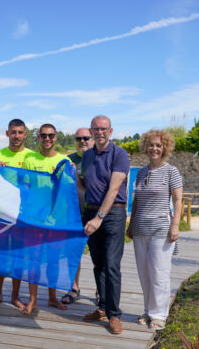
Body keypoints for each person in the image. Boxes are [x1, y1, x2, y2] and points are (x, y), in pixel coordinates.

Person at [126, 129, 183, 330]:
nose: (154, 148)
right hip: (140, 228)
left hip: (161, 228)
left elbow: (177, 200)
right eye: (151, 145)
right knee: (144, 273)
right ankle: (148, 310)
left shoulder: (171, 171)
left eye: (158, 145)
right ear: (145, 147)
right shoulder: (141, 172)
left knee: (159, 272)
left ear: (165, 147)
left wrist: (175, 225)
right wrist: (131, 225)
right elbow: (136, 200)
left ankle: (159, 314)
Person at [80, 115, 130, 335]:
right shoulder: (87, 155)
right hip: (91, 212)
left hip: (112, 215)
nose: (99, 132)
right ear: (91, 131)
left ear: (110, 131)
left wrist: (99, 217)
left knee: (111, 266)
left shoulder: (120, 154)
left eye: (103, 129)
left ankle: (115, 315)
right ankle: (101, 308)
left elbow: (113, 189)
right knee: (98, 264)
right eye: (95, 129)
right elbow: (85, 186)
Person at [21, 123, 68, 315]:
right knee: (34, 260)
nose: (47, 139)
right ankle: (33, 300)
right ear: (38, 138)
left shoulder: (64, 160)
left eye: (51, 135)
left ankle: (52, 297)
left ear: (56, 137)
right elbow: (24, 187)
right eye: (43, 135)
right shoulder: (30, 159)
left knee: (54, 261)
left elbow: (68, 190)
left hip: (55, 221)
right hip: (35, 219)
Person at [0, 118, 34, 309]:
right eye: (13, 132)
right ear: (7, 133)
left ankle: (15, 296)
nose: (16, 136)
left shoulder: (32, 157)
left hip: (22, 215)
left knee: (17, 255)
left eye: (20, 132)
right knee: (0, 255)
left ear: (25, 134)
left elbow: (39, 185)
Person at [60, 128, 94, 305]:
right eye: (78, 138)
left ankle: (100, 290)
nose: (82, 141)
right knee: (73, 253)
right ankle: (74, 288)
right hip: (73, 214)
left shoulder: (100, 157)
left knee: (99, 255)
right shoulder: (68, 160)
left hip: (95, 213)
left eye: (86, 138)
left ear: (93, 138)